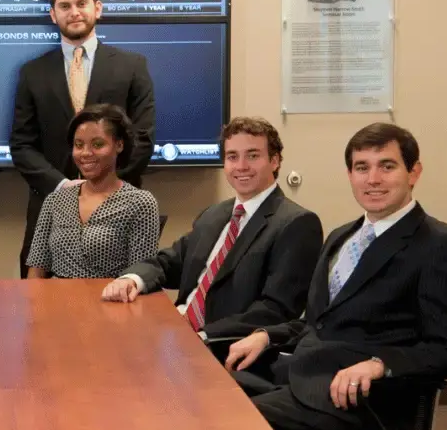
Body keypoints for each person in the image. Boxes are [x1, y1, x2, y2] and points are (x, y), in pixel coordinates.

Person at [224, 123, 447, 430]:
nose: (373, 179)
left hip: (368, 404)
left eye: (387, 166)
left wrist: (380, 365)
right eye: (362, 168)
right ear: (350, 175)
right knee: (208, 394)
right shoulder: (342, 237)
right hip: (308, 376)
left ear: (414, 172)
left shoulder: (442, 246)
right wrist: (264, 336)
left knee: (228, 426)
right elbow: (319, 322)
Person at [102, 117, 322, 361]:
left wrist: (202, 335)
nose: (241, 166)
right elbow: (168, 262)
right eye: (232, 157)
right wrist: (132, 279)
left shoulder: (296, 223)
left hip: (222, 348)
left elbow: (275, 310)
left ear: (274, 161)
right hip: (174, 334)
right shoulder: (214, 214)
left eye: (252, 156)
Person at [11, 0, 156, 278]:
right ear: (53, 14)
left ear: (97, 8)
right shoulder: (32, 73)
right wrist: (63, 187)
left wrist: (103, 186)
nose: (74, 12)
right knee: (39, 307)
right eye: (64, 6)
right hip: (49, 205)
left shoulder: (132, 67)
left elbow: (142, 137)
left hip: (118, 207)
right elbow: (22, 145)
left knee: (118, 305)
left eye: (81, 3)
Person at [26, 105, 159, 279]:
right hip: (56, 301)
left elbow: (140, 277)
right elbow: (37, 269)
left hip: (111, 301)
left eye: (97, 144)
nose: (85, 153)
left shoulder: (140, 203)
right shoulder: (55, 200)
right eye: (78, 145)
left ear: (119, 145)